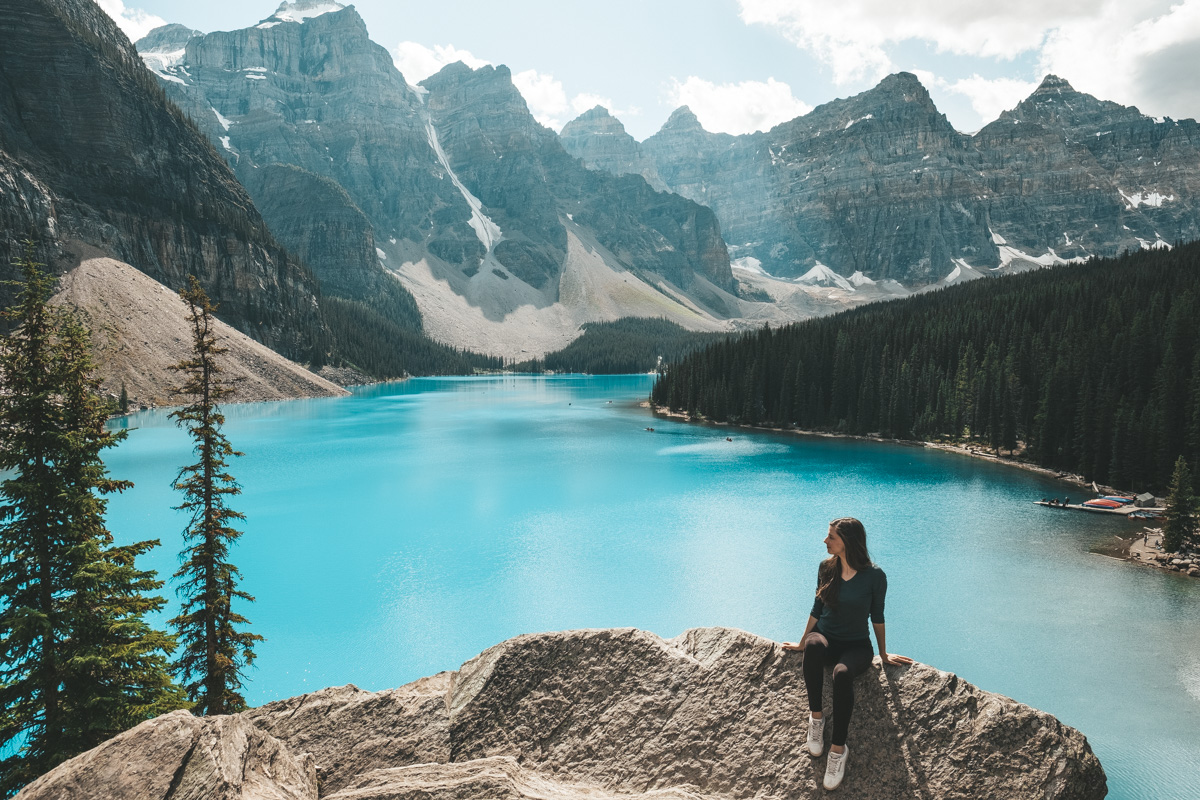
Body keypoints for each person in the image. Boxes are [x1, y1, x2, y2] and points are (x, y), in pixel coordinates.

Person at [782, 518, 913, 791]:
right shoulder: (826, 568)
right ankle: (816, 719)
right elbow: (817, 608)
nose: (825, 541)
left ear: (847, 542)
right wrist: (801, 642)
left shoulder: (875, 577)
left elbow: (877, 616)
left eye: (831, 537)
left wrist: (884, 653)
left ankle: (838, 750)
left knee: (842, 674)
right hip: (825, 638)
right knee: (814, 646)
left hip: (856, 647)